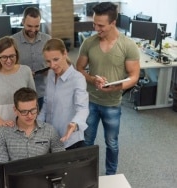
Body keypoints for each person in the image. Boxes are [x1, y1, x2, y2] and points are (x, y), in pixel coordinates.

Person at [76, 2, 140, 175]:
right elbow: (79, 69)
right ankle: (84, 175)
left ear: (113, 22)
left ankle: (111, 175)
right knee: (87, 142)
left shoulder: (128, 45)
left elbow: (134, 76)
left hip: (112, 103)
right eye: (94, 24)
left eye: (101, 25)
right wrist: (91, 78)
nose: (96, 28)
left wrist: (116, 87)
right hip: (90, 102)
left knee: (111, 143)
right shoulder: (89, 43)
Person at [37, 38, 89, 150]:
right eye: (48, 61)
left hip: (70, 141)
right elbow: (46, 104)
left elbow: (83, 108)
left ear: (65, 53)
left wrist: (75, 123)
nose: (52, 65)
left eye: (56, 59)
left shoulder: (77, 79)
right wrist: (36, 125)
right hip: (52, 138)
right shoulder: (51, 74)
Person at [0, 36, 36, 141]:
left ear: (17, 54)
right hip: (1, 132)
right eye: (4, 57)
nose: (9, 61)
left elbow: (33, 99)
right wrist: (2, 123)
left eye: (12, 56)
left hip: (25, 130)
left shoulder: (25, 71)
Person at [0, 87, 65, 163]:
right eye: (24, 112)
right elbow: (0, 166)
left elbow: (61, 160)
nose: (30, 116)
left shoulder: (49, 130)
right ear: (15, 110)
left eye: (33, 110)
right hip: (15, 174)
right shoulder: (3, 133)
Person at [12, 6, 51, 110]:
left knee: (43, 124)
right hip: (21, 94)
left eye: (36, 26)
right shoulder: (13, 42)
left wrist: (50, 69)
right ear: (23, 22)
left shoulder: (47, 40)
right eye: (29, 26)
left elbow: (54, 63)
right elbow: (7, 67)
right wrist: (24, 72)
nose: (33, 30)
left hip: (43, 92)